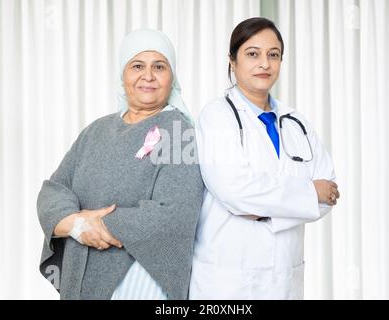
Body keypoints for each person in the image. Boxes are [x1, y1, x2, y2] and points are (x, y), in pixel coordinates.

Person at [37, 29, 203, 300]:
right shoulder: (96, 131)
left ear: (171, 77)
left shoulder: (179, 133)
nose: (147, 76)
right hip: (82, 276)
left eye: (159, 67)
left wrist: (95, 224)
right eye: (137, 66)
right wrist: (74, 223)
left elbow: (173, 213)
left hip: (141, 285)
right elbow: (54, 189)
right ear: (123, 75)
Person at [189, 17, 340, 299]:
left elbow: (329, 190)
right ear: (232, 61)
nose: (265, 64)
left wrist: (264, 210)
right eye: (252, 54)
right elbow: (235, 190)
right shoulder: (216, 117)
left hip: (285, 276)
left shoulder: (298, 123)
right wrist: (306, 195)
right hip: (228, 281)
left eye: (274, 55)